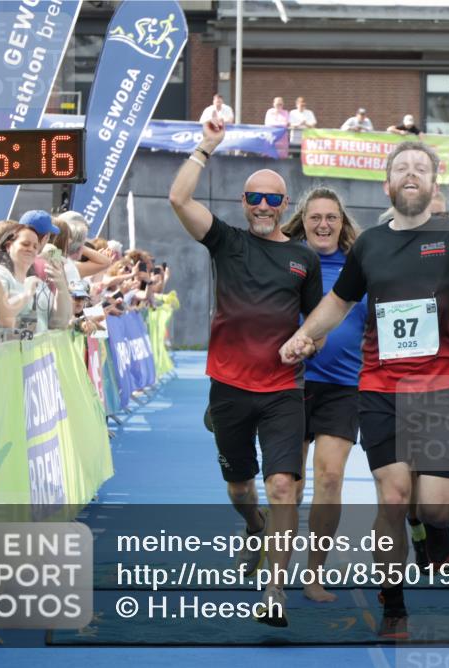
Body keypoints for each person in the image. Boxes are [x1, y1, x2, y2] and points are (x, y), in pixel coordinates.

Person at [279, 142, 449, 638]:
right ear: (389, 185)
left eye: (422, 167)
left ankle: (431, 529)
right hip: (380, 387)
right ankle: (393, 605)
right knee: (393, 497)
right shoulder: (370, 245)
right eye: (402, 167)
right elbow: (337, 303)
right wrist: (303, 336)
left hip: (438, 389)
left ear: (434, 184)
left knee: (437, 505)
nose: (412, 173)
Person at [168, 113, 322, 628]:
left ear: (285, 207)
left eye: (273, 199)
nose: (262, 206)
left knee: (284, 486)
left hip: (283, 391)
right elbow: (179, 201)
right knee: (241, 488)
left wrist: (307, 345)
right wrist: (204, 148)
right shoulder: (227, 241)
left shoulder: (304, 259)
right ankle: (252, 527)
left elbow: (316, 323)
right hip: (229, 387)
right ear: (243, 204)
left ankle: (274, 589)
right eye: (254, 198)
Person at [280, 187, 365, 602]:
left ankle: (314, 573)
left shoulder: (358, 267)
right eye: (316, 217)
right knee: (290, 486)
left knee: (329, 477)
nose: (324, 224)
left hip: (343, 387)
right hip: (289, 384)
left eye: (332, 217)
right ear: (303, 220)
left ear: (342, 222)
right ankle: (274, 565)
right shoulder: (287, 259)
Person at [0, 223, 71, 334]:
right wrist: (27, 294)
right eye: (25, 244)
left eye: (35, 246)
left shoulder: (39, 283)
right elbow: (0, 318)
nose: (30, 249)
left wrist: (61, 288)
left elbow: (59, 324)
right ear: (8, 246)